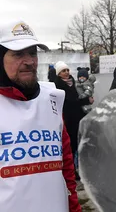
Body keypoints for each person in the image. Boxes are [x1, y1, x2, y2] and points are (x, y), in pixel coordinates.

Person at [0, 21, 81, 212]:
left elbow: (66, 167)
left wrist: (74, 207)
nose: (29, 61)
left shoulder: (51, 97)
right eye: (18, 54)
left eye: (32, 53)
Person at [54, 61, 93, 177]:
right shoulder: (58, 85)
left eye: (67, 70)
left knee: (78, 143)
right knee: (70, 145)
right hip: (67, 118)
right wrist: (86, 101)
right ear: (58, 73)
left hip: (78, 116)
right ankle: (71, 170)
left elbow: (78, 98)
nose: (66, 72)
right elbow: (69, 101)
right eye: (63, 71)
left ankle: (78, 168)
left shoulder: (75, 84)